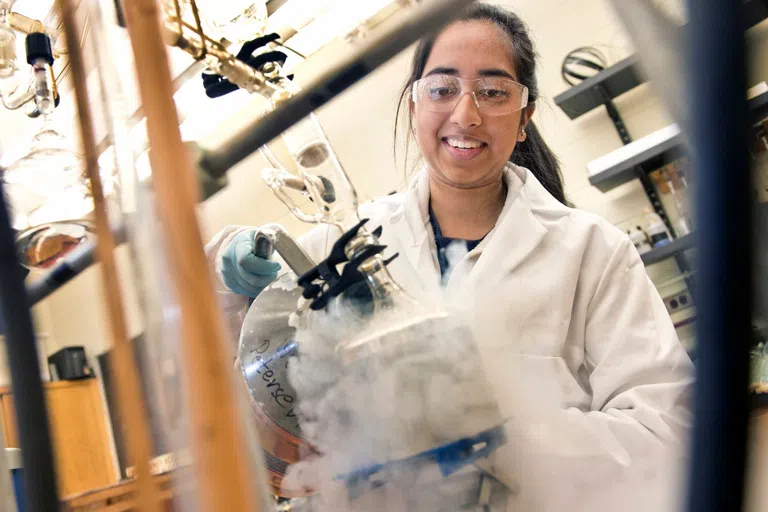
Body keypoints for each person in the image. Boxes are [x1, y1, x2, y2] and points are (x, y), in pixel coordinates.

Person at [206, 3, 693, 510]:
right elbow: (223, 333)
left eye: (493, 91)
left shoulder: (592, 251)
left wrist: (499, 439)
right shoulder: (342, 244)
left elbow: (666, 426)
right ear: (414, 107)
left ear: (524, 119)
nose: (466, 114)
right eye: (441, 89)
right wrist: (230, 266)